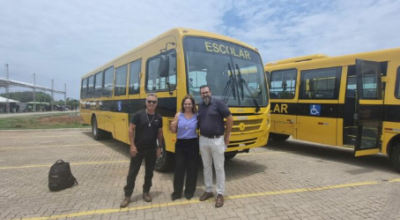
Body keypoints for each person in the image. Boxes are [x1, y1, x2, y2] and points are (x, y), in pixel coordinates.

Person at [120, 93, 163, 208]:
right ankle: (127, 195)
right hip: (138, 149)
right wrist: (132, 145)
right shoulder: (138, 115)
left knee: (149, 172)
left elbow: (160, 133)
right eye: (149, 101)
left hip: (151, 150)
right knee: (132, 173)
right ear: (146, 102)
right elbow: (131, 130)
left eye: (154, 102)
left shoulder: (159, 118)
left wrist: (160, 147)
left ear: (156, 104)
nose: (151, 104)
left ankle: (146, 192)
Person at [197, 85, 233, 208]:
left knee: (219, 168)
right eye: (203, 93)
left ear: (210, 92)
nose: (205, 95)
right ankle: (208, 190)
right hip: (203, 140)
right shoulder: (200, 106)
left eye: (206, 92)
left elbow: (230, 118)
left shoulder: (219, 103)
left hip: (217, 140)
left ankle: (220, 194)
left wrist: (227, 136)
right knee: (206, 166)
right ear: (200, 95)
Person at [169, 95, 199, 201]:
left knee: (192, 168)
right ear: (183, 105)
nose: (187, 106)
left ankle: (189, 191)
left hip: (193, 144)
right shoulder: (179, 115)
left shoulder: (196, 115)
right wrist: (172, 126)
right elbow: (173, 129)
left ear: (193, 105)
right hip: (180, 144)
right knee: (179, 167)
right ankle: (177, 192)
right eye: (185, 104)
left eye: (189, 104)